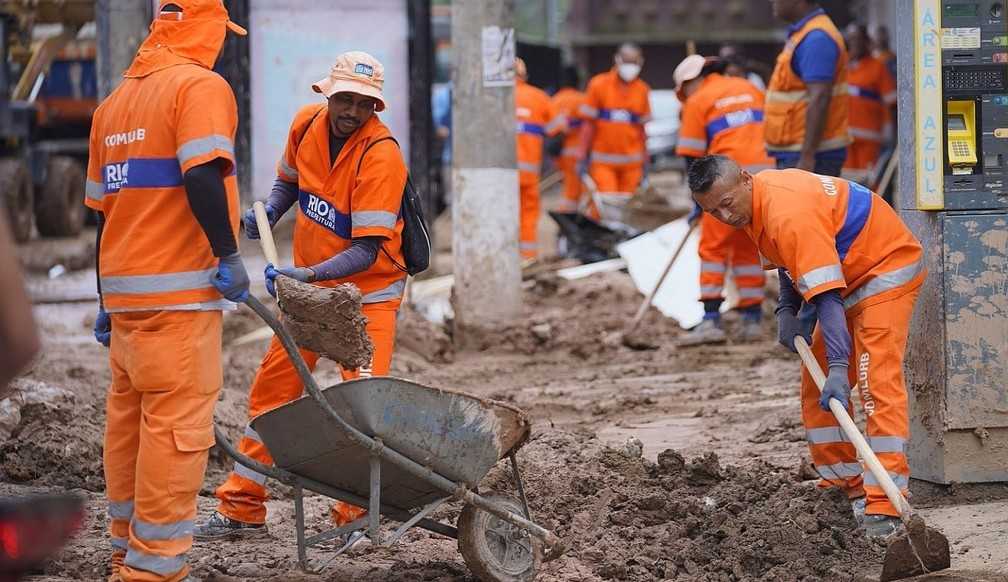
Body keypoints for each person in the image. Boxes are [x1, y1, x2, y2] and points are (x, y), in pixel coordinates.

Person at [195, 51, 409, 541]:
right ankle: (242, 508)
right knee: (273, 394)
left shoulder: (382, 155)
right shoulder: (306, 124)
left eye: (363, 103)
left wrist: (307, 274)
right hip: (309, 295)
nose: (352, 111)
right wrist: (269, 213)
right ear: (326, 95)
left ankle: (357, 520)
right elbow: (288, 184)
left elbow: (367, 250)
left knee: (363, 409)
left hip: (366, 297)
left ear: (376, 108)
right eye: (344, 99)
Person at [84, 1, 249, 579]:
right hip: (179, 302)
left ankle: (124, 551)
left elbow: (103, 216)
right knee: (175, 436)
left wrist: (105, 301)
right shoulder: (198, 88)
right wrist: (229, 256)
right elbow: (202, 172)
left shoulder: (113, 105)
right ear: (205, 29)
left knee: (128, 429)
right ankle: (151, 570)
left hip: (128, 305)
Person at [688, 155, 925, 540]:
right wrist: (787, 307)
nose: (724, 217)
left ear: (745, 180)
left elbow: (826, 296)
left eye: (726, 205)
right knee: (816, 387)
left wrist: (837, 364)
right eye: (712, 211)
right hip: (845, 276)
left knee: (874, 382)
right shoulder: (754, 204)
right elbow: (788, 259)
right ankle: (843, 484)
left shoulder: (786, 210)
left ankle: (885, 502)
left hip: (883, 271)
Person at [673, 55, 774, 345]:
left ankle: (711, 318)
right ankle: (752, 318)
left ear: (693, 81)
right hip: (759, 180)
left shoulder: (698, 100)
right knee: (748, 244)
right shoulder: (749, 88)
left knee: (713, 248)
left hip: (723, 182)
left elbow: (691, 155)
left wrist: (698, 203)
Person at [765, 0, 850, 176]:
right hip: (800, 150)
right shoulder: (806, 34)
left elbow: (820, 97)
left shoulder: (816, 38)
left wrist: (807, 157)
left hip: (810, 155)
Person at [578, 43, 651, 220]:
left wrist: (646, 160)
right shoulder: (598, 85)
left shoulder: (642, 89)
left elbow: (641, 130)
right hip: (603, 163)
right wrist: (581, 156)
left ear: (640, 62)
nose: (630, 67)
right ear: (617, 60)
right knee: (605, 207)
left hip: (632, 164)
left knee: (628, 210)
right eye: (627, 62)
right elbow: (588, 125)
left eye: (634, 62)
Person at [514, 57, 564, 260]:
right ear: (524, 76)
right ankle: (527, 258)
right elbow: (556, 129)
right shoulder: (538, 97)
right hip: (528, 173)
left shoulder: (492, 99)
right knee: (528, 214)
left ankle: (504, 259)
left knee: (500, 216)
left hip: (499, 177)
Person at [842, 23, 897, 186]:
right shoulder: (841, 67)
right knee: (845, 182)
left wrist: (893, 136)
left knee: (869, 182)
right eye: (851, 39)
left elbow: (892, 102)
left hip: (869, 139)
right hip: (843, 138)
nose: (854, 44)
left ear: (866, 41)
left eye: (858, 39)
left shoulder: (878, 67)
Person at [551, 66, 588, 214]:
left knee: (569, 189)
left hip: (560, 156)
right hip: (578, 154)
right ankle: (568, 221)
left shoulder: (554, 100)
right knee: (575, 192)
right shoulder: (582, 100)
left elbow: (551, 130)